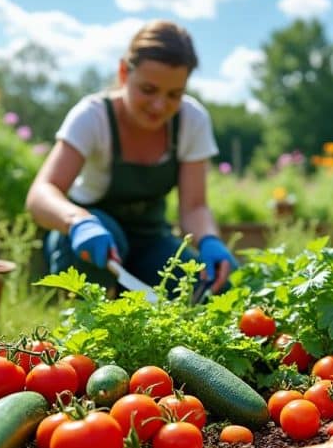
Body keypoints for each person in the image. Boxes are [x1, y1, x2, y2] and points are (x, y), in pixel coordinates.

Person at [26, 20, 237, 297]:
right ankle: (83, 313)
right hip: (88, 240)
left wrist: (209, 240)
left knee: (210, 288)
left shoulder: (191, 120)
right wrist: (78, 222)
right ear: (124, 72)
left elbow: (194, 206)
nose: (159, 105)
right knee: (101, 241)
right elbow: (41, 194)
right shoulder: (93, 116)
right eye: (148, 90)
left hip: (151, 242)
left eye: (174, 94)